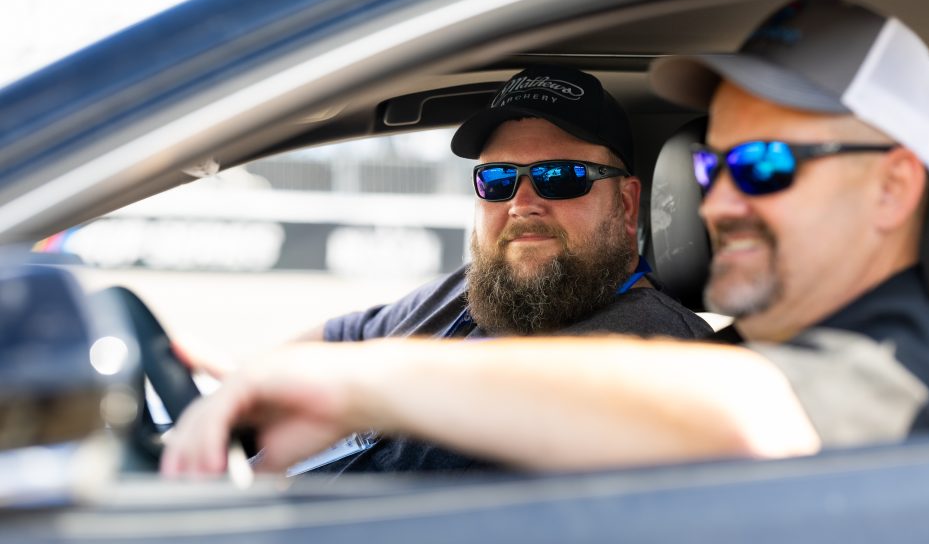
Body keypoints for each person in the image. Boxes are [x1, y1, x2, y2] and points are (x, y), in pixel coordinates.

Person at [161, 0, 929, 477]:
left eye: (765, 164)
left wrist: (358, 387)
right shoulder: (754, 343)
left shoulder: (918, 367)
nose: (718, 200)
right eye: (715, 162)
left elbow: (759, 418)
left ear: (892, 188)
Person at [242, 65, 713, 475]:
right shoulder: (480, 286)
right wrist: (234, 393)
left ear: (626, 204)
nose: (521, 204)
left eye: (560, 177)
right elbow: (340, 339)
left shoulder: (655, 344)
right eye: (498, 179)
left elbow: (551, 403)